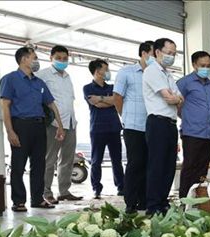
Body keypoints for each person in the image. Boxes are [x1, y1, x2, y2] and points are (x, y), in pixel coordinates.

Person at [0, 46, 65, 212]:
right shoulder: (10, 79)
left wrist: (60, 126)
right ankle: (19, 201)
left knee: (39, 164)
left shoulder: (39, 82)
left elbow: (51, 104)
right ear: (24, 59)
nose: (36, 61)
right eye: (34, 57)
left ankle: (37, 199)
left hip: (39, 126)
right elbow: (5, 106)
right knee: (18, 164)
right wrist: (10, 131)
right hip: (20, 125)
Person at [36, 45, 82, 204]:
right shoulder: (42, 75)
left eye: (65, 58)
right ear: (51, 58)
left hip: (70, 122)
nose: (62, 61)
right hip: (54, 123)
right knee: (50, 159)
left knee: (68, 159)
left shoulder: (67, 76)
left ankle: (64, 191)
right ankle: (46, 192)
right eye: (59, 58)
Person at [142, 38, 183, 215]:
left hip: (171, 124)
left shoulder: (168, 75)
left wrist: (177, 98)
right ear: (157, 52)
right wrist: (175, 98)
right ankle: (153, 205)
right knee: (157, 164)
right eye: (168, 53)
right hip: (157, 122)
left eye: (174, 54)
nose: (171, 56)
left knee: (169, 165)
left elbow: (180, 99)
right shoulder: (152, 71)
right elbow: (169, 97)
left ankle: (162, 201)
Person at [113, 41, 154, 213]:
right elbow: (117, 97)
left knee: (148, 164)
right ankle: (130, 202)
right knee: (135, 163)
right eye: (154, 53)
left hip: (152, 126)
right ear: (144, 53)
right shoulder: (126, 72)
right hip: (133, 126)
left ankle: (144, 200)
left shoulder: (156, 73)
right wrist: (125, 117)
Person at [83, 59, 124, 199]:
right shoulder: (87, 88)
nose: (108, 72)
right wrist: (108, 100)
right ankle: (96, 188)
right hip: (98, 128)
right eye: (105, 69)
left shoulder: (112, 87)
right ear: (97, 71)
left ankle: (121, 187)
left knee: (116, 160)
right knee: (96, 160)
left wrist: (101, 99)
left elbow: (116, 101)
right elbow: (97, 105)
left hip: (114, 127)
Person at [176, 51, 210, 198]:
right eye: (202, 65)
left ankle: (198, 199)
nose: (206, 68)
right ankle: (184, 200)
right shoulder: (184, 83)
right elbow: (176, 105)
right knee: (189, 167)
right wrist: (187, 117)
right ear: (194, 65)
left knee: (202, 168)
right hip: (191, 132)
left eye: (208, 66)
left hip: (208, 132)